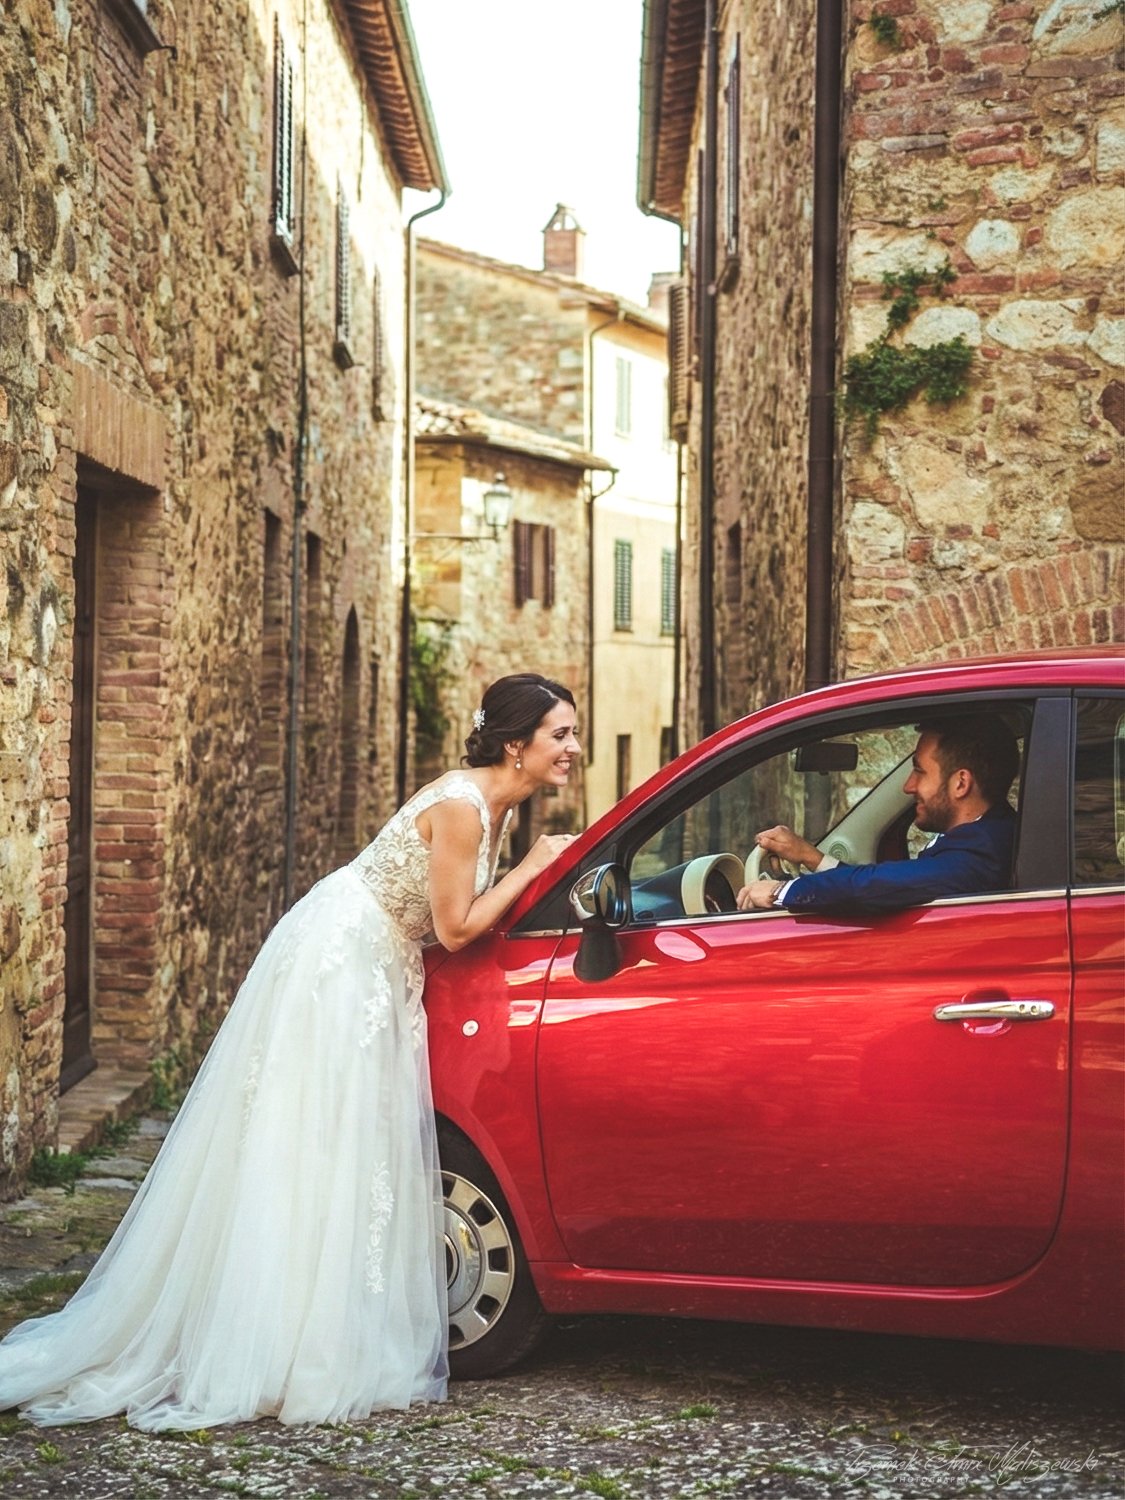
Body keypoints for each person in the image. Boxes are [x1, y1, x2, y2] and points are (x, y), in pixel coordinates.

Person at [0, 673, 581, 1430]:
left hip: (373, 958)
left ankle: (312, 1317)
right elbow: (456, 928)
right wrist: (537, 867)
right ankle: (270, 1338)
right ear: (517, 744)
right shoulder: (463, 808)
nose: (572, 747)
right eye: (560, 734)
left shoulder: (493, 802)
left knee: (344, 1143)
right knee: (312, 1136)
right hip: (340, 959)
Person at [736, 714, 1019, 913]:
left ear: (960, 783)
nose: (908, 786)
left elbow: (878, 885)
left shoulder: (985, 851)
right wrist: (811, 857)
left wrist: (780, 893)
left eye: (919, 771)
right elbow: (884, 881)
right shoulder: (989, 833)